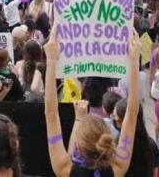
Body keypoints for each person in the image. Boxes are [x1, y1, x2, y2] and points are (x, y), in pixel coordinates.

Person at [44, 28, 141, 177]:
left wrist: (51, 61)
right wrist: (134, 60)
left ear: (78, 146)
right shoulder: (118, 168)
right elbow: (133, 112)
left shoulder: (64, 169)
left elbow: (50, 113)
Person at [113, 99, 159, 177]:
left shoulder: (117, 147)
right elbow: (154, 173)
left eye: (113, 116)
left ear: (120, 123)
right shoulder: (151, 145)